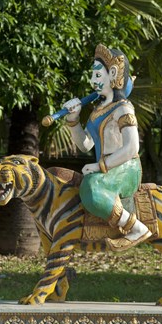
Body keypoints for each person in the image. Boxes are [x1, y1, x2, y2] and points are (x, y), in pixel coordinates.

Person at [62, 43, 151, 251]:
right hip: (109, 169)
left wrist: (99, 166)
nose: (93, 82)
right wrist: (73, 120)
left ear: (113, 74)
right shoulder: (97, 110)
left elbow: (131, 147)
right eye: (92, 76)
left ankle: (136, 228)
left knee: (91, 185)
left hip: (127, 168)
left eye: (97, 76)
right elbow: (85, 145)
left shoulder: (123, 108)